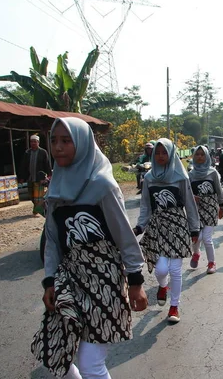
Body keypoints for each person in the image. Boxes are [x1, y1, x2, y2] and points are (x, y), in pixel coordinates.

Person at [31, 117, 148, 378]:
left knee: (90, 363)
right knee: (56, 353)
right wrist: (49, 280)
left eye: (65, 140)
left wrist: (136, 282)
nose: (57, 147)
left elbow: (124, 236)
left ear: (83, 144)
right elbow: (52, 240)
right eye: (53, 140)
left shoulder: (102, 185)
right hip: (68, 278)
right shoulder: (56, 188)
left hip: (103, 280)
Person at [133, 138, 200, 323]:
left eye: (165, 152)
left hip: (178, 224)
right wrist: (140, 226)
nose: (161, 156)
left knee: (176, 269)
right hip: (158, 226)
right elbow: (146, 206)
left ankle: (174, 307)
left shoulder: (180, 176)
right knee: (161, 269)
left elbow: (189, 203)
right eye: (158, 153)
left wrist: (194, 228)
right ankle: (163, 286)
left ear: (171, 154)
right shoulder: (148, 178)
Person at [188, 145, 223, 274]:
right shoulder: (190, 174)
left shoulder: (213, 172)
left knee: (207, 238)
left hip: (211, 207)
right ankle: (196, 253)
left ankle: (211, 263)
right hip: (196, 209)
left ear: (207, 156)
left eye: (202, 154)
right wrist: (192, 197)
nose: (200, 157)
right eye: (197, 154)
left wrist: (221, 206)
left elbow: (219, 190)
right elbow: (187, 192)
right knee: (197, 237)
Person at [19, 134, 52, 215]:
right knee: (31, 196)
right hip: (30, 178)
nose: (33, 143)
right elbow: (23, 166)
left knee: (38, 197)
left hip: (39, 178)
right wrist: (22, 177)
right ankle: (36, 208)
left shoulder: (43, 152)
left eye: (35, 142)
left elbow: (47, 164)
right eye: (31, 142)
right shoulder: (27, 153)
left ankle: (37, 210)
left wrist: (49, 175)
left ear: (38, 142)